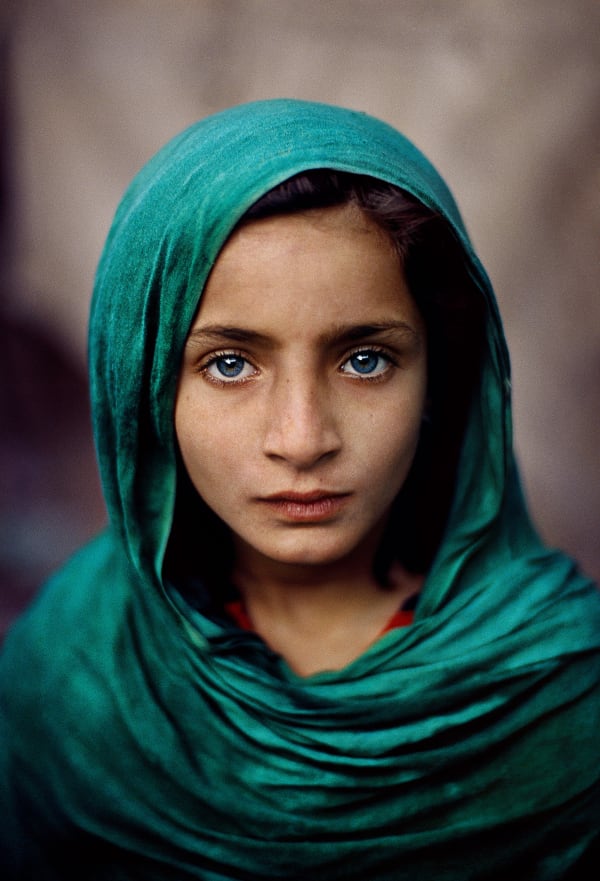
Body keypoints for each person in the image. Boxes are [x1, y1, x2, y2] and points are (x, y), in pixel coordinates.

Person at [0, 99, 598, 879]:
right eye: (229, 364)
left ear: (441, 379)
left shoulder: (561, 691)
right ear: (142, 388)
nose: (303, 438)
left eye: (364, 360)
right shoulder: (70, 673)